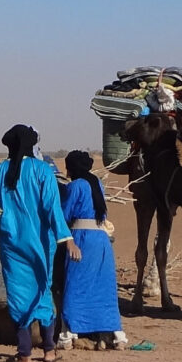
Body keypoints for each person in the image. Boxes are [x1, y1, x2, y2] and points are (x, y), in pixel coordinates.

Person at [0, 125, 79, 362]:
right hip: (41, 243)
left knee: (17, 295)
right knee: (43, 289)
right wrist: (66, 238)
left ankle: (24, 354)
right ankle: (49, 350)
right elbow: (51, 208)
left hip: (11, 244)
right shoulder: (42, 171)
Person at [57, 150, 126, 350]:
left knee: (75, 285)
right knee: (104, 287)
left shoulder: (75, 186)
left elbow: (64, 214)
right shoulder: (98, 184)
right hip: (101, 240)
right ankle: (117, 335)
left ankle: (67, 335)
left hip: (81, 238)